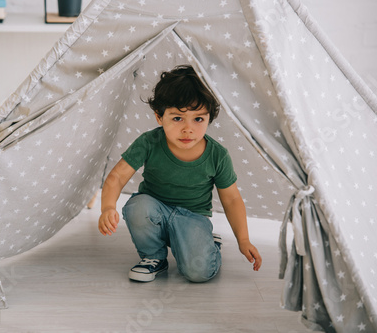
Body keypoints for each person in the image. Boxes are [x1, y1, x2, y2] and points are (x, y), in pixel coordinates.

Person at [98, 65, 262, 283]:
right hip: (154, 210)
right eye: (177, 118)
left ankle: (208, 245)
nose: (188, 129)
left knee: (198, 273)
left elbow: (231, 199)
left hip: (192, 217)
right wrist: (108, 207)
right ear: (159, 117)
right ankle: (153, 258)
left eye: (198, 119)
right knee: (137, 207)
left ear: (209, 119)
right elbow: (117, 177)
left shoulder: (217, 155)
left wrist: (243, 240)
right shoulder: (149, 143)